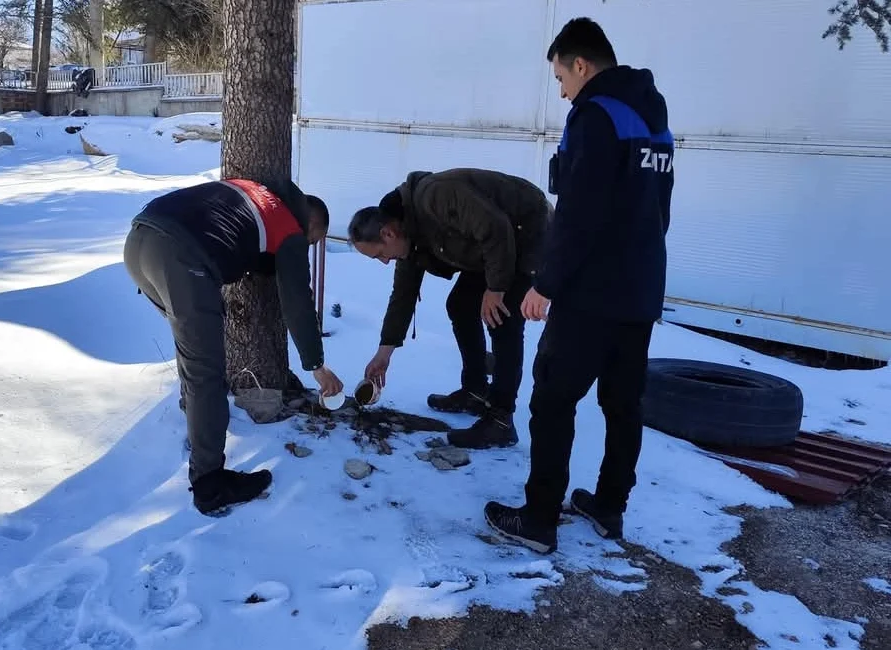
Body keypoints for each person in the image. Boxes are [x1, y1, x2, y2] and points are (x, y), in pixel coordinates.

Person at [484, 17, 675, 554]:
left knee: (552, 400)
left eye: (561, 78)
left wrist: (547, 282)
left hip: (591, 292)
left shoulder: (593, 116)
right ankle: (609, 506)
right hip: (639, 289)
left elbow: (578, 211)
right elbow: (660, 209)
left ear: (580, 64)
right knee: (622, 404)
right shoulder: (652, 118)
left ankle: (540, 519)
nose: (562, 90)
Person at [123, 177, 344, 516]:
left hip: (139, 240)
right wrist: (316, 364)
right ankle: (210, 485)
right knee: (206, 373)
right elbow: (298, 300)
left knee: (195, 357)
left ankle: (197, 416)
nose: (306, 246)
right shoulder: (289, 226)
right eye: (312, 240)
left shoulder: (257, 192)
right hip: (180, 255)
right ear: (311, 224)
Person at [348, 168, 552, 448]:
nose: (384, 261)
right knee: (460, 305)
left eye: (379, 254)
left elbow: (496, 227)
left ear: (388, 232)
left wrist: (496, 289)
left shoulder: (437, 196)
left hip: (526, 231)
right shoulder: (408, 235)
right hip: (491, 247)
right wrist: (385, 352)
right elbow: (403, 296)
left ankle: (501, 420)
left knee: (501, 318)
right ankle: (476, 391)